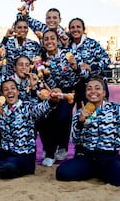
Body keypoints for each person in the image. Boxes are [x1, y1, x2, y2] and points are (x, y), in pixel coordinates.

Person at [55, 75, 120, 186]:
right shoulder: (80, 112)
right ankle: (93, 172)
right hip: (85, 157)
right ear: (86, 93)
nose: (93, 91)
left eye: (97, 88)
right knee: (62, 173)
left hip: (108, 158)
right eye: (89, 89)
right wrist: (80, 122)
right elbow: (75, 140)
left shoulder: (116, 109)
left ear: (104, 93)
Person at [38, 29, 89, 167]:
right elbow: (44, 81)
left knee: (62, 117)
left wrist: (76, 67)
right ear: (42, 42)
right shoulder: (41, 60)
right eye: (46, 39)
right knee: (45, 118)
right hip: (52, 92)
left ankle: (53, 152)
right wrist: (46, 77)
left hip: (70, 92)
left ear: (58, 40)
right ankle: (51, 148)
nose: (49, 41)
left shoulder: (69, 55)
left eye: (52, 38)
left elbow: (84, 75)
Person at [66, 17, 111, 109]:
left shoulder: (91, 43)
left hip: (95, 84)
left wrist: (91, 66)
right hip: (79, 86)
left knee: (97, 114)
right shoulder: (68, 45)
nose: (75, 29)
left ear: (83, 29)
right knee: (82, 115)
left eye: (78, 27)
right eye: (72, 27)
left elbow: (106, 59)